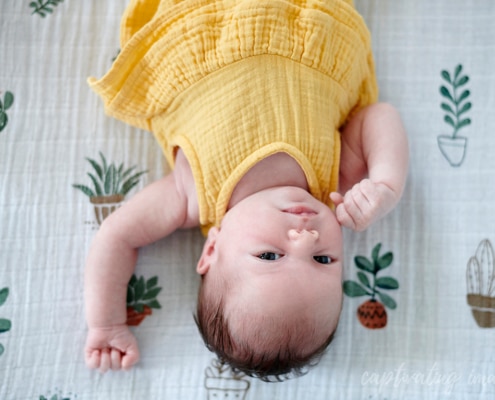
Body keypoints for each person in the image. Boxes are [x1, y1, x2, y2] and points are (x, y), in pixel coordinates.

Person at [83, 0, 408, 380]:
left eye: (270, 256)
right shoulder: (333, 182)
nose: (304, 238)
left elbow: (116, 236)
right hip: (303, 21)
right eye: (323, 260)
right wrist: (385, 185)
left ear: (212, 249)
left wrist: (106, 324)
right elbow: (380, 116)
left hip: (204, 28)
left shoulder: (191, 196)